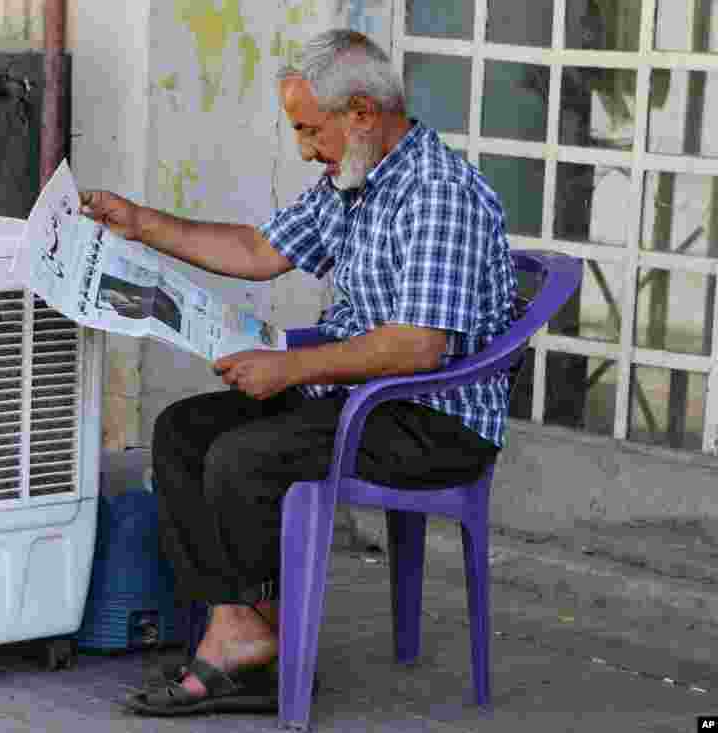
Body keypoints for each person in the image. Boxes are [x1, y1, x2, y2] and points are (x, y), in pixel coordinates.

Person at [80, 28, 517, 717]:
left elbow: (418, 346)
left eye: (312, 131)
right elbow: (260, 249)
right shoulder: (354, 181)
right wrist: (141, 223)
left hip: (433, 417)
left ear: (363, 114)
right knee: (183, 430)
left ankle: (243, 642)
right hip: (359, 394)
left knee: (244, 457)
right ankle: (244, 630)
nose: (306, 148)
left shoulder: (438, 194)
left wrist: (290, 368)